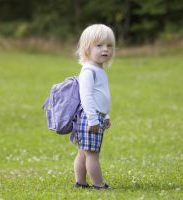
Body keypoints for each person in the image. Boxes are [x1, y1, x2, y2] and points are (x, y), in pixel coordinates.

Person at [73, 24, 115, 190]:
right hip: (90, 117)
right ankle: (98, 185)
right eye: (99, 45)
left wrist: (105, 116)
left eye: (109, 45)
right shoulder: (89, 71)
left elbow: (99, 97)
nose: (105, 49)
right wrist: (92, 119)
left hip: (96, 116)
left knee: (84, 152)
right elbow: (86, 97)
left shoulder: (98, 69)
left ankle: (81, 183)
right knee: (92, 154)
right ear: (86, 49)